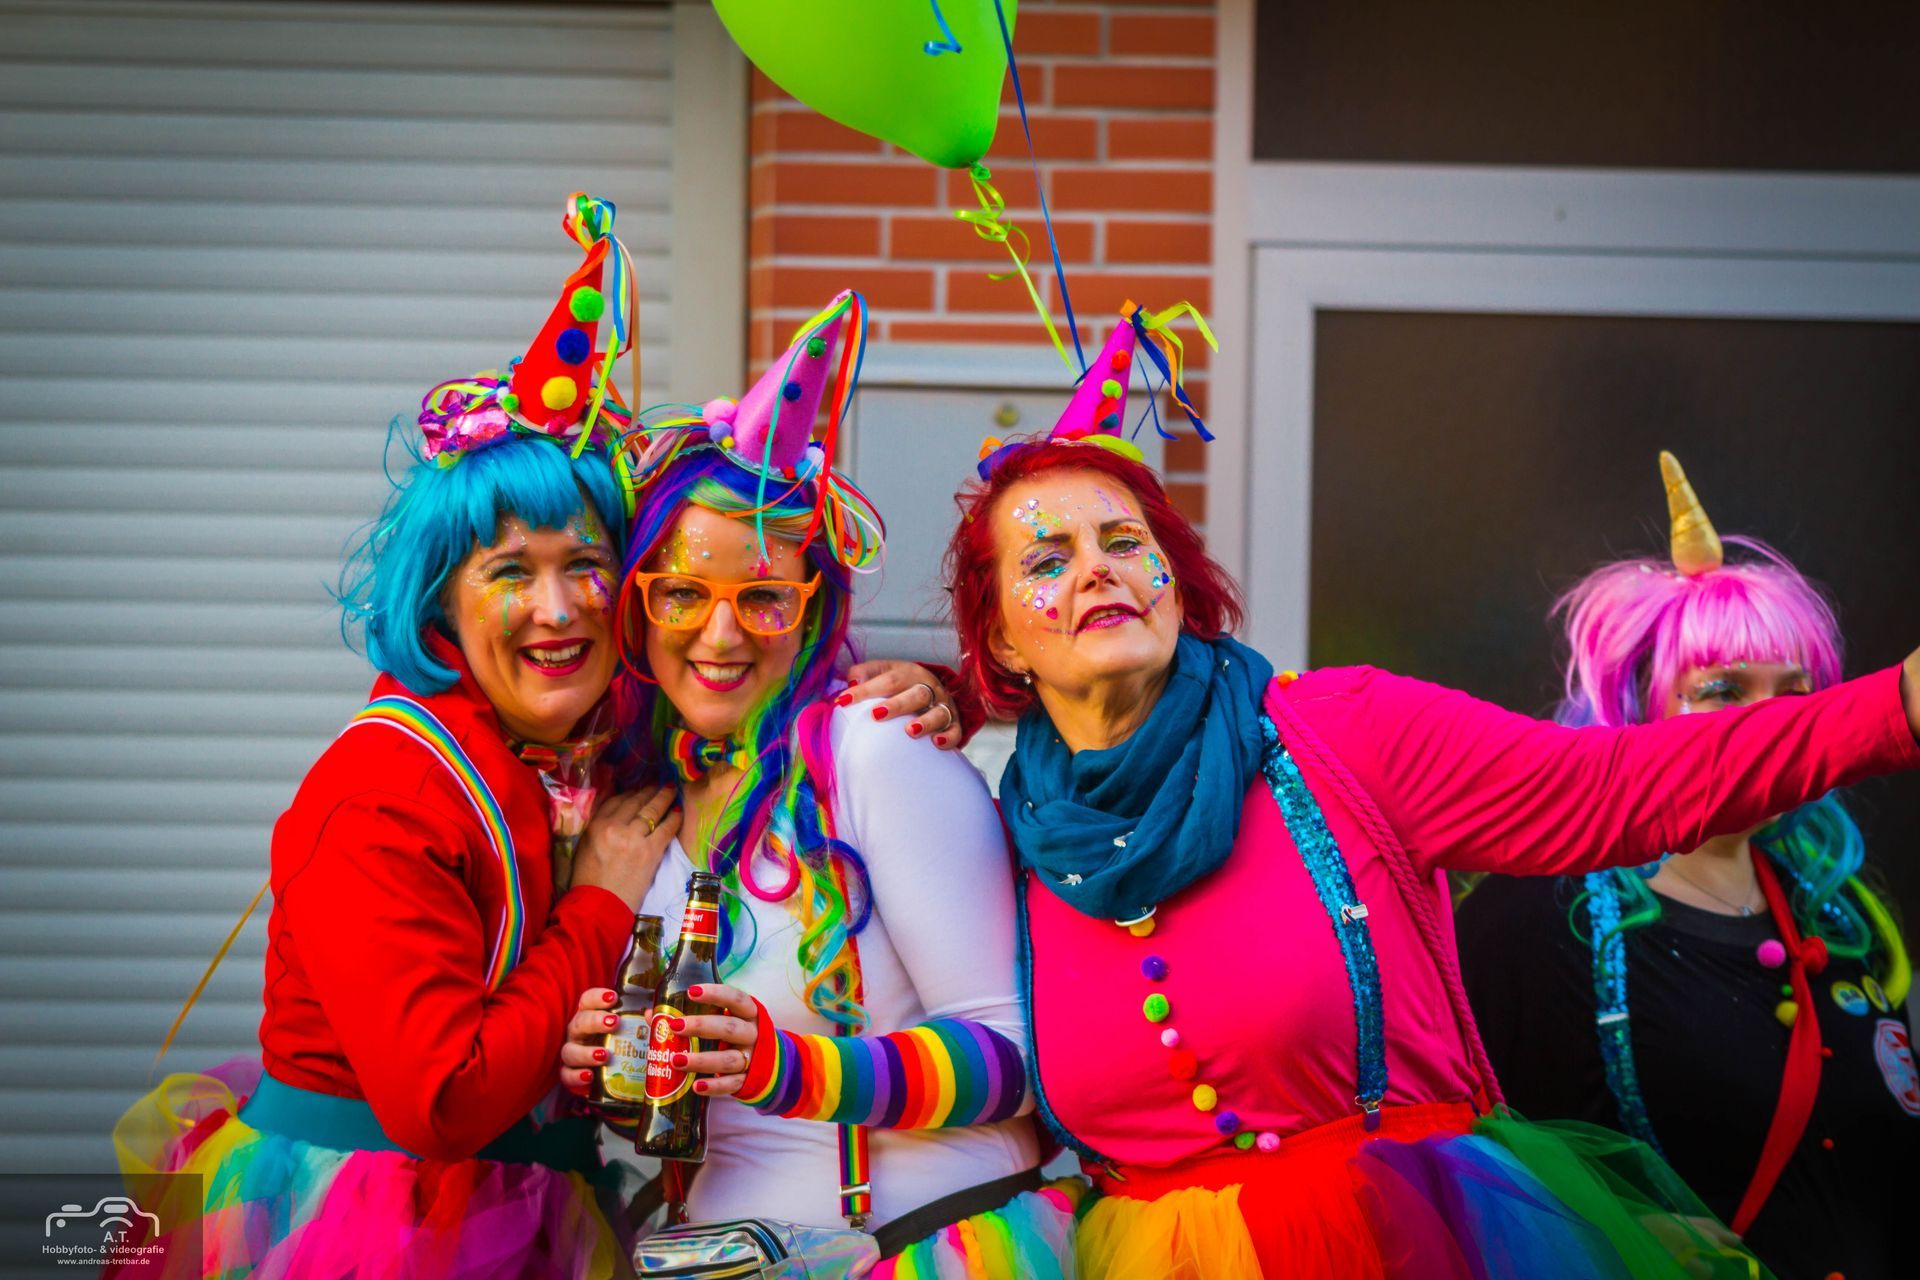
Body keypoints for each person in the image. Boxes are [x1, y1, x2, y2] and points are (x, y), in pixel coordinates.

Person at [938, 304, 1920, 1280]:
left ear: (1178, 583)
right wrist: (902, 711)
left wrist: (1896, 706)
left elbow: (1619, 787)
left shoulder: (1341, 731)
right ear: (1001, 643)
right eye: (1049, 559)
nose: (1098, 570)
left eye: (1124, 540)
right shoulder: (1002, 830)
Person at [560, 291, 1080, 1278]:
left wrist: (790, 1066)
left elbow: (1021, 1054)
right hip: (704, 1257)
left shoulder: (877, 749)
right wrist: (598, 1068)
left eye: (762, 596)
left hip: (914, 1251)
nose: (720, 636)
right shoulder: (632, 805)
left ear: (813, 606)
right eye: (683, 593)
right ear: (637, 605)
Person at [1456, 453, 1917, 1280]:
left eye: (1794, 695)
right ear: (1637, 708)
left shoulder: (1840, 915)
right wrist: (1610, 1235)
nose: (1771, 727)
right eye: (1723, 691)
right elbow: (1460, 1173)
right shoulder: (1535, 919)